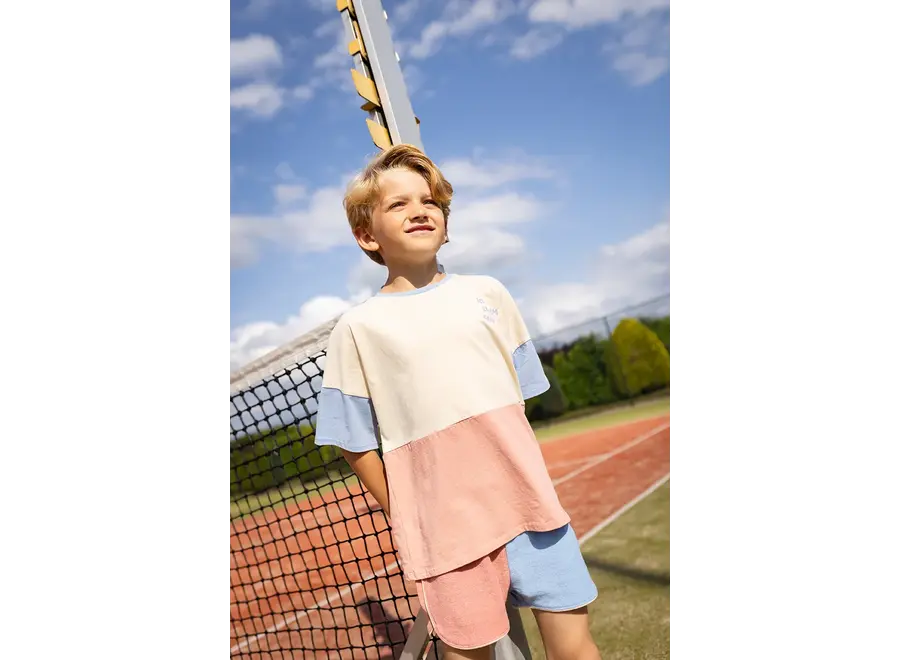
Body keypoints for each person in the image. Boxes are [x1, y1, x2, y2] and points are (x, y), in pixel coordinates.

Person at [314, 144, 602, 660]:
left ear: (446, 222)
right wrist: (407, 514)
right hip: (445, 536)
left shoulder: (490, 293)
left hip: (532, 511)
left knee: (575, 647)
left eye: (430, 201)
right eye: (397, 204)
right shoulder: (356, 329)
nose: (420, 209)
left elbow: (510, 402)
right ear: (366, 234)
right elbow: (354, 445)